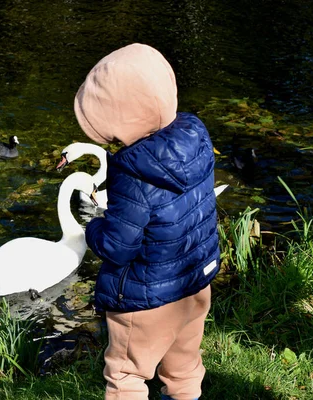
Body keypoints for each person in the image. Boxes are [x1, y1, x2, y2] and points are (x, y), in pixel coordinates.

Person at [74, 43, 219, 400]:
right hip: (195, 286)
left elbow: (119, 247)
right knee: (183, 369)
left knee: (126, 376)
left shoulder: (131, 172)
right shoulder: (195, 137)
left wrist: (92, 228)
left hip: (147, 299)